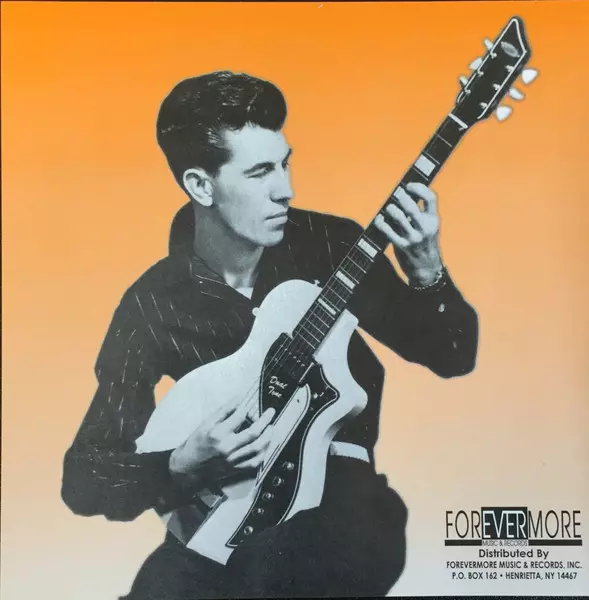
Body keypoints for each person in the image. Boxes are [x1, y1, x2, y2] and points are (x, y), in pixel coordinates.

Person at [61, 70, 479, 599]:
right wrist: (179, 465)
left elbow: (451, 355)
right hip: (225, 523)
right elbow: (86, 477)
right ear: (200, 185)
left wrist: (428, 273)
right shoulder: (152, 304)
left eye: (284, 164)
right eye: (260, 173)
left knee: (272, 570)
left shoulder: (333, 245)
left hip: (343, 513)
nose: (286, 190)